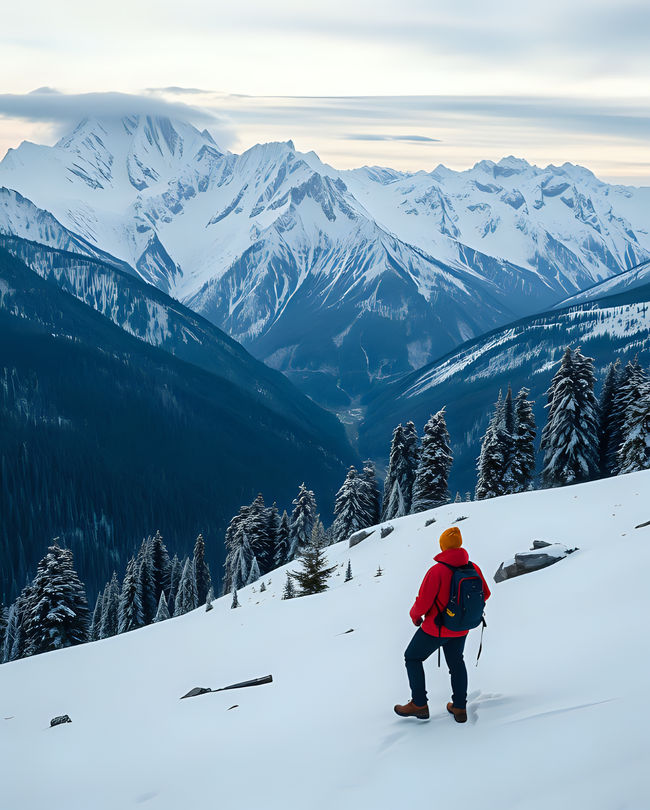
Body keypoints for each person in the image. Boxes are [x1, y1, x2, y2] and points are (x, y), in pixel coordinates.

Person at [394, 526, 491, 722]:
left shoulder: (437, 570)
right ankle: (459, 707)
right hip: (461, 627)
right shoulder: (473, 567)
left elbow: (423, 602)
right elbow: (486, 594)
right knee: (456, 663)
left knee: (412, 657)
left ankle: (419, 704)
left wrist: (415, 617)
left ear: (443, 547)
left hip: (436, 628)